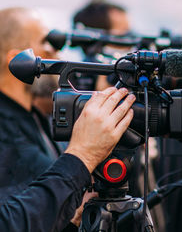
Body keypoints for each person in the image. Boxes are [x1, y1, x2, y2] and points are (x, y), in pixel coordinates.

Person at [0, 86, 135, 231]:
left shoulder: (34, 117)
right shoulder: (7, 131)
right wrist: (82, 155)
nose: (57, 63)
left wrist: (69, 219)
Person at [0, 7, 62, 202]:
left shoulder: (32, 114)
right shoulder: (5, 130)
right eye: (45, 43)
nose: (55, 52)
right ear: (16, 60)